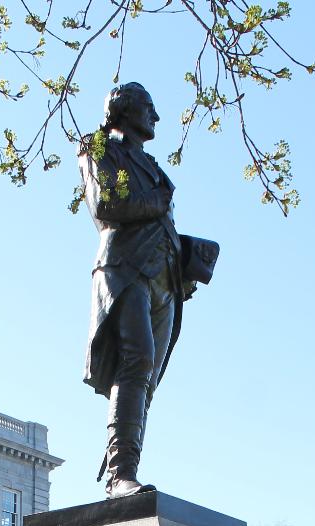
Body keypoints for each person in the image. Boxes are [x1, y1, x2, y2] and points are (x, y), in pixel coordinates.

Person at [78, 82, 216, 498]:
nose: (156, 117)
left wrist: (187, 251)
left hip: (166, 280)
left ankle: (123, 467)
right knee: (136, 362)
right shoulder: (99, 148)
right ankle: (120, 475)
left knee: (147, 377)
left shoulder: (153, 166)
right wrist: (157, 202)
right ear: (123, 109)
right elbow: (105, 206)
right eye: (149, 108)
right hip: (123, 269)